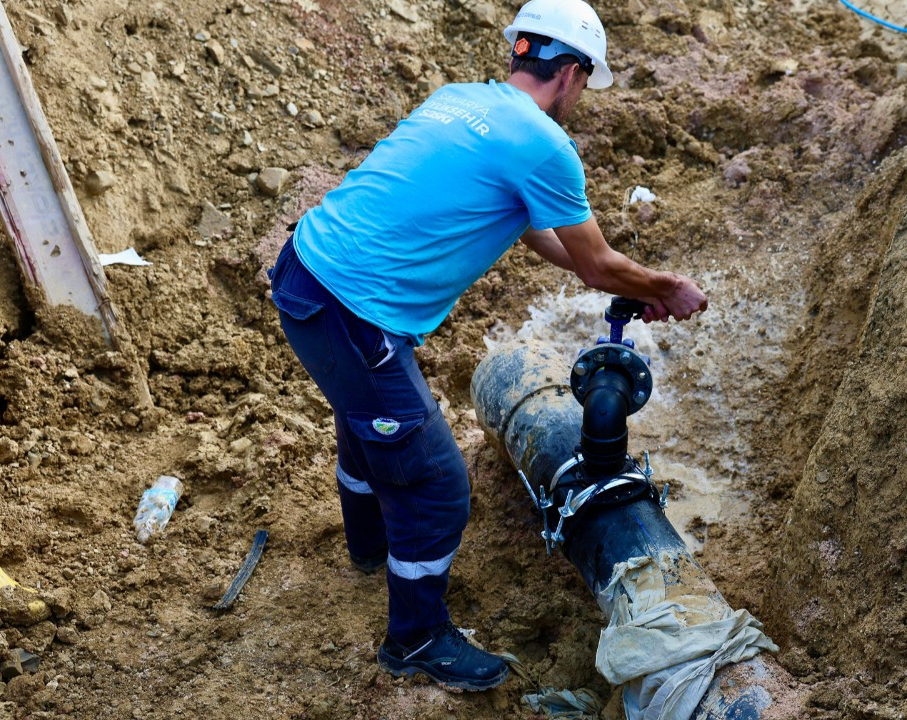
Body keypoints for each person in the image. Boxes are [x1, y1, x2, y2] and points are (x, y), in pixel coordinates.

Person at [268, 0, 706, 692]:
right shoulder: (543, 144)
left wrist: (626, 280)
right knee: (439, 488)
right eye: (586, 82)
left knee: (369, 423)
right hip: (353, 314)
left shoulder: (461, 101)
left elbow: (534, 230)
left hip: (307, 273)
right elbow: (596, 264)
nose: (582, 97)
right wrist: (666, 285)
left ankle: (370, 546)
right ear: (569, 72)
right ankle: (414, 639)